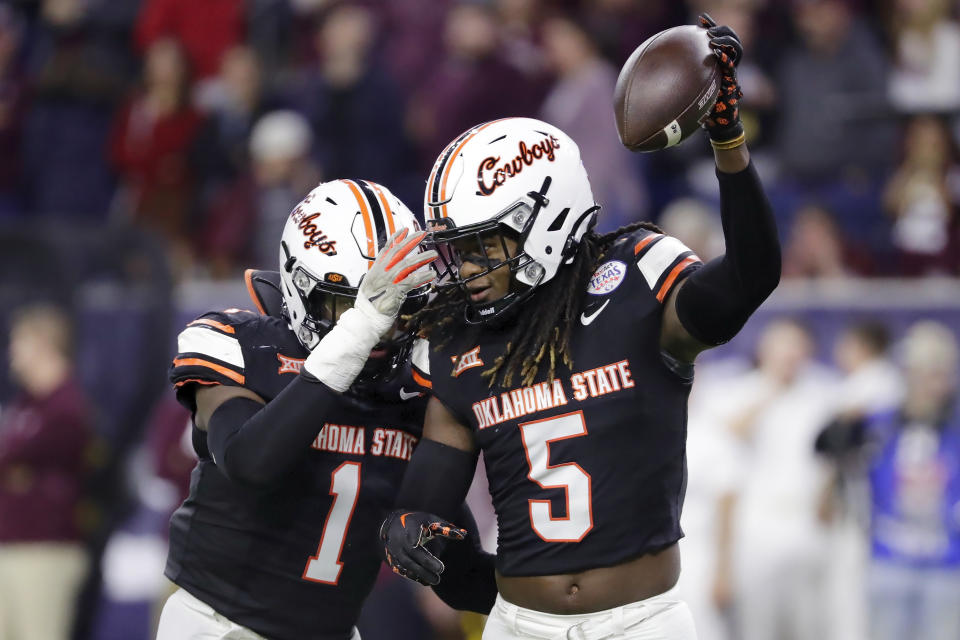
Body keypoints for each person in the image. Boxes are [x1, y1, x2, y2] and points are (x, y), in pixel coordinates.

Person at [380, 15, 781, 639]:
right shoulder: (458, 342)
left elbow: (749, 277)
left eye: (486, 244)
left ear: (546, 218)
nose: (470, 267)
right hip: (520, 625)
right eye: (461, 249)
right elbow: (430, 500)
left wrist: (728, 141)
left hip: (641, 622)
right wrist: (415, 531)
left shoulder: (636, 278)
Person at [156, 179, 496, 640]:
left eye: (394, 306)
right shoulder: (244, 345)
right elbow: (249, 460)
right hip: (219, 627)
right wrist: (358, 331)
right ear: (300, 288)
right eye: (349, 305)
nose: (380, 328)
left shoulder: (413, 392)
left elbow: (455, 573)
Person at [818, 321, 960, 640]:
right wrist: (849, 416)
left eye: (936, 372)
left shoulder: (954, 426)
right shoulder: (880, 421)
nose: (927, 382)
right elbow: (824, 443)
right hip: (888, 559)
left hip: (947, 562)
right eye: (920, 371)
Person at [0, 304, 95, 640]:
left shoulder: (67, 406)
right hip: (12, 543)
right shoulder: (25, 405)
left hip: (46, 550)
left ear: (42, 344)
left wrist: (16, 466)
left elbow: (21, 457)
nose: (12, 353)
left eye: (18, 342)